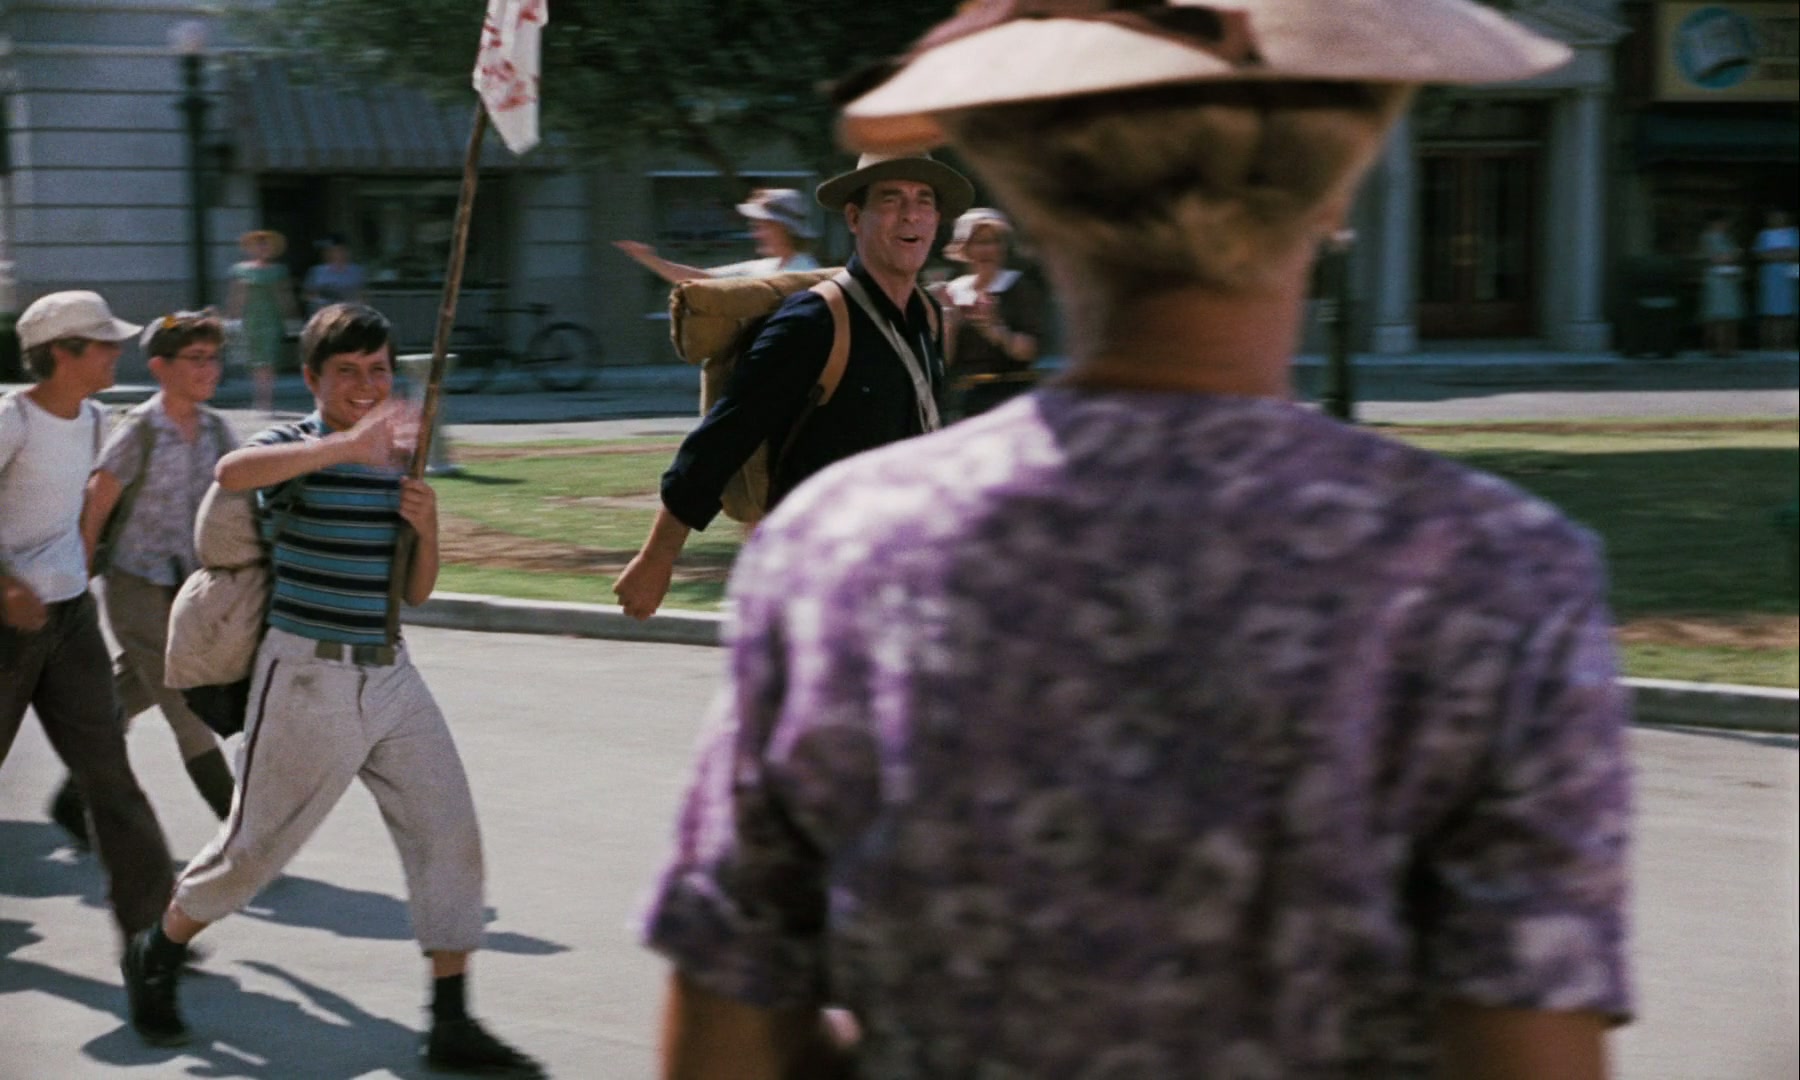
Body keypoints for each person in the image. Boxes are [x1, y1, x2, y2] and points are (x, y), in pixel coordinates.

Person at [640, 2, 1633, 1078]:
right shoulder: (1496, 578)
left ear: (1026, 204)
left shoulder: (836, 556)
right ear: (1336, 197)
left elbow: (726, 1041)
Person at [121, 303, 544, 1076]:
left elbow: (416, 590)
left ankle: (451, 1020)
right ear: (312, 378)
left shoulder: (399, 460)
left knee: (447, 832)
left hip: (391, 672)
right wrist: (346, 445)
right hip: (306, 677)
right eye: (346, 372)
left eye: (377, 370)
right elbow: (231, 473)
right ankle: (158, 948)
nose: (366, 385)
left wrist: (428, 526)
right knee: (251, 852)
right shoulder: (295, 446)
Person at [612, 153, 973, 621]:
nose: (911, 215)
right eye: (891, 199)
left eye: (924, 200)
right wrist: (657, 558)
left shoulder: (928, 317)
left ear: (936, 219)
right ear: (854, 217)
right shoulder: (814, 321)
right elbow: (722, 439)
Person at [1, 291, 179, 1004]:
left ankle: (153, 936)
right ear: (61, 352)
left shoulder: (97, 419)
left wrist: (76, 566)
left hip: (70, 620)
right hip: (7, 625)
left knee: (110, 778)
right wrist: (6, 586)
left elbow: (84, 514)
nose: (116, 353)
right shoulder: (13, 421)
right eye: (103, 343)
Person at [39, 311, 240, 851]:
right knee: (185, 707)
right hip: (135, 586)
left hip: (186, 590)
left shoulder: (218, 431)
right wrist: (75, 585)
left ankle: (72, 795)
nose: (209, 368)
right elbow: (96, 507)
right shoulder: (140, 430)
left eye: (213, 358)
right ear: (160, 367)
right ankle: (243, 833)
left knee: (128, 692)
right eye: (195, 359)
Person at [934, 207, 1048, 417]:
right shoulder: (953, 291)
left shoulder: (1018, 287)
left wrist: (994, 329)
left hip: (1010, 397)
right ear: (966, 248)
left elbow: (1032, 350)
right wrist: (950, 323)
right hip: (964, 401)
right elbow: (942, 361)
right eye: (980, 242)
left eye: (995, 241)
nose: (989, 249)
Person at [614, 188, 822, 284]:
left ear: (784, 228)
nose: (756, 234)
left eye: (762, 226)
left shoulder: (804, 273)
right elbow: (702, 279)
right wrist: (650, 259)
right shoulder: (763, 267)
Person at [228, 229, 299, 414]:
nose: (263, 248)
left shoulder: (278, 270)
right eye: (259, 245)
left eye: (266, 245)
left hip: (271, 319)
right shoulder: (240, 270)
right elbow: (236, 296)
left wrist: (291, 318)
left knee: (268, 359)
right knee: (255, 360)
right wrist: (233, 318)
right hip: (251, 319)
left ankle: (265, 401)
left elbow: (285, 296)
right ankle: (259, 398)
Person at [1696, 213, 1744, 357]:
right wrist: (1732, 256)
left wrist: (1733, 256)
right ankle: (1717, 347)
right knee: (1717, 315)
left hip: (1730, 280)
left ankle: (1730, 347)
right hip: (1716, 281)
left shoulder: (1728, 238)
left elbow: (1735, 254)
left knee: (1730, 315)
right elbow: (1714, 258)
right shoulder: (1707, 238)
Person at [1752, 209, 1798, 353]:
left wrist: (1776, 255)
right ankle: (1770, 344)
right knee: (1769, 311)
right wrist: (1782, 254)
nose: (1778, 220)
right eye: (1774, 217)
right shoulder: (1764, 235)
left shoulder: (1793, 233)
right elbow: (1760, 254)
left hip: (1789, 275)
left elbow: (1795, 253)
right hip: (1770, 276)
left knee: (1789, 311)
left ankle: (1788, 343)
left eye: (1780, 217)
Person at [302, 234, 368, 316]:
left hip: (351, 313)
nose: (336, 254)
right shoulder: (317, 272)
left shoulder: (357, 271)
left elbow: (363, 295)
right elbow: (306, 295)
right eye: (331, 251)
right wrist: (320, 301)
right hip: (325, 314)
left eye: (340, 250)